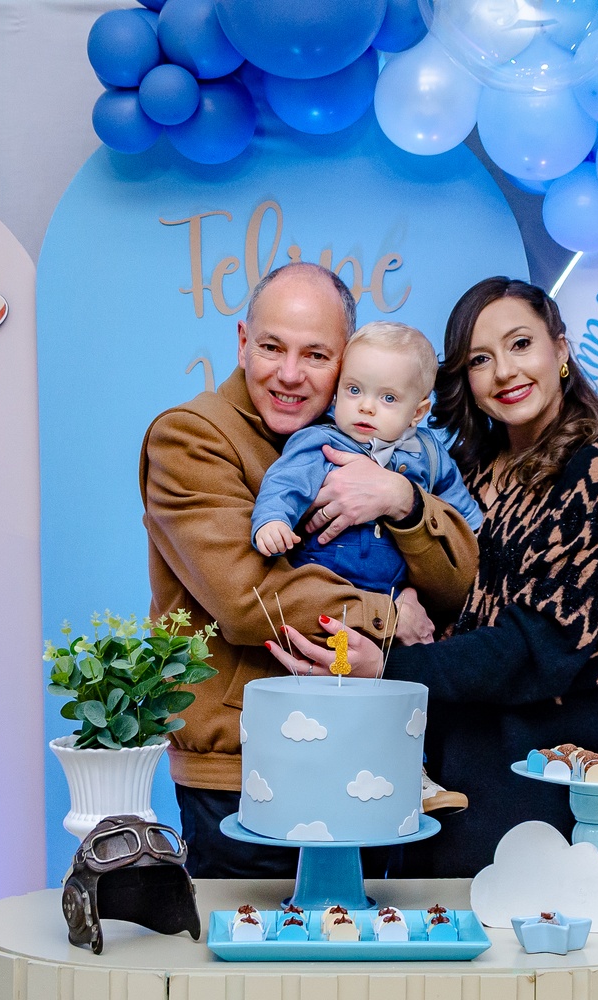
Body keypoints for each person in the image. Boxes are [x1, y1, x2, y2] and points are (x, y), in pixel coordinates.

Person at [264, 276, 598, 877]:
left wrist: (388, 665)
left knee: (508, 923)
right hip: (432, 747)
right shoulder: (464, 470)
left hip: (533, 758)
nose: (504, 371)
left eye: (520, 344)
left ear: (561, 348)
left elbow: (542, 647)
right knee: (418, 922)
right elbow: (439, 593)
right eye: (480, 359)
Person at [139, 262, 479, 878]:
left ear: (345, 362)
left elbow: (462, 584)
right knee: (258, 940)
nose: (290, 374)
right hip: (246, 771)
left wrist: (401, 500)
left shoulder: (388, 447)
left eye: (316, 355)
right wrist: (390, 616)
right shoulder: (190, 437)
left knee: (369, 939)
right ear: (243, 342)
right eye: (272, 347)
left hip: (369, 755)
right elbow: (249, 598)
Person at [252, 319, 482, 814]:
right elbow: (284, 484)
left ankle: (412, 775)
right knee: (332, 691)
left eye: (388, 398)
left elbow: (460, 514)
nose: (366, 407)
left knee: (399, 695)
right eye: (354, 390)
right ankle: (323, 781)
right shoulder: (320, 442)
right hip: (333, 592)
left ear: (418, 411)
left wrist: (467, 527)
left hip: (394, 596)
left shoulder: (428, 455)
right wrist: (272, 521)